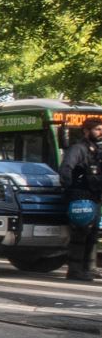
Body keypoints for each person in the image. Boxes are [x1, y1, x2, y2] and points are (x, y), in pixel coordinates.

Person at [59, 116, 102, 282]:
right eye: (97, 129)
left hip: (95, 195)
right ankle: (75, 270)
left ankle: (89, 268)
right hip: (80, 195)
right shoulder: (78, 149)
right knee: (80, 233)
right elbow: (66, 169)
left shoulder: (97, 150)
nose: (101, 132)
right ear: (86, 131)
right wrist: (71, 191)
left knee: (92, 233)